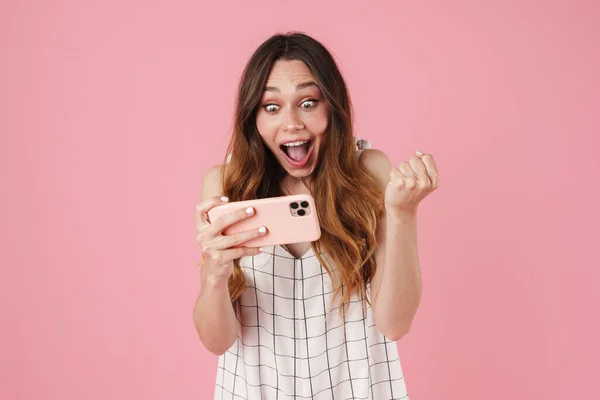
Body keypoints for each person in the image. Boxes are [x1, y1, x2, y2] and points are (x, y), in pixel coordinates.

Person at [194, 32, 439, 400]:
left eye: (308, 103)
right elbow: (217, 342)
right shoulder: (226, 185)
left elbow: (395, 324)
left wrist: (403, 213)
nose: (291, 124)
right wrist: (214, 272)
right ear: (253, 117)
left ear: (332, 107)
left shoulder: (369, 173)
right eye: (271, 107)